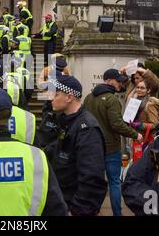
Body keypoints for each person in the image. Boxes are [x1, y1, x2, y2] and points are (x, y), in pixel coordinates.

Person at [84, 68, 143, 216]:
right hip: (110, 148)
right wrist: (135, 134)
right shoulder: (112, 99)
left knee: (94, 182)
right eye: (117, 81)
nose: (120, 85)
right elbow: (116, 124)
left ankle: (93, 211)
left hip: (93, 147)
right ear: (108, 81)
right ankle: (117, 214)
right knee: (114, 182)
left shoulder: (88, 98)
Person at [48, 75, 107, 215]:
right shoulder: (66, 121)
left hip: (73, 207)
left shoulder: (87, 130)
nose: (51, 98)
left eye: (55, 94)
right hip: (61, 202)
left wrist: (76, 211)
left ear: (69, 97)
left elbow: (92, 179)